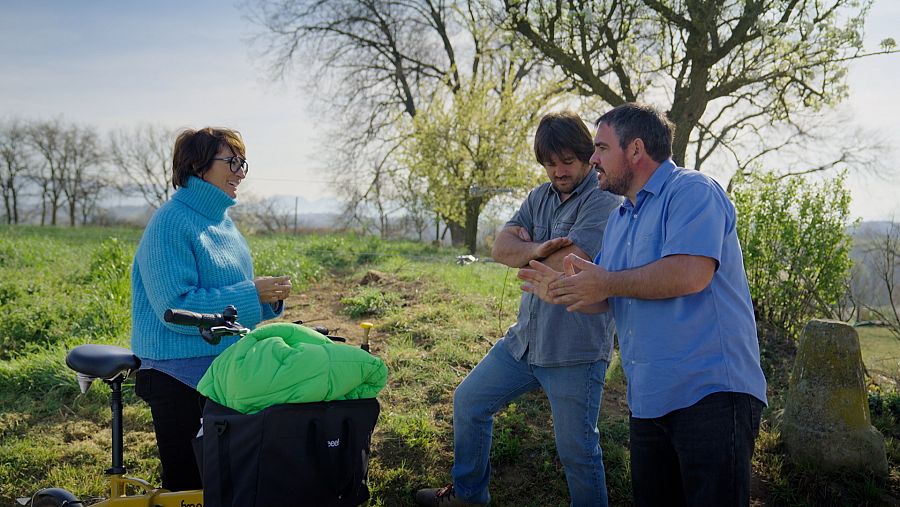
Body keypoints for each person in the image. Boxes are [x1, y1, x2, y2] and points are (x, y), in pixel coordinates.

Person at [519, 102, 768, 506]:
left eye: (601, 148)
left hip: (711, 396)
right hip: (648, 403)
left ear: (635, 149)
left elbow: (691, 273)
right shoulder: (620, 218)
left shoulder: (693, 191)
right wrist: (565, 292)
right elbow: (605, 293)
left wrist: (605, 282)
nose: (593, 159)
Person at [415, 111, 622, 507]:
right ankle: (469, 496)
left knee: (578, 452)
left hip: (574, 351)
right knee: (469, 402)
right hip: (523, 343)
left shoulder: (604, 200)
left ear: (586, 155)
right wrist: (539, 248)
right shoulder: (538, 197)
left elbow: (570, 264)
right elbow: (499, 249)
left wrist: (526, 252)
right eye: (549, 163)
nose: (558, 171)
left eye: (567, 161)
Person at [131, 127, 292, 491]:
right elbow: (176, 308)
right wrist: (252, 293)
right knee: (191, 489)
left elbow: (232, 300)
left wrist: (265, 300)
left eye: (243, 162)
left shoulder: (224, 223)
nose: (241, 172)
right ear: (197, 166)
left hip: (223, 370)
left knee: (228, 483)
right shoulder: (170, 222)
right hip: (177, 376)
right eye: (232, 161)